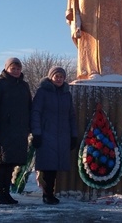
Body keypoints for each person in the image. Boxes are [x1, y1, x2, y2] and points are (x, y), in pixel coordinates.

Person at [0, 57, 32, 205]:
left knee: (11, 163)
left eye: (18, 69)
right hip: (2, 131)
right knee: (0, 163)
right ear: (6, 68)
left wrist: (28, 128)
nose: (16, 71)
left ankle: (6, 194)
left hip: (19, 131)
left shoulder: (24, 86)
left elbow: (29, 108)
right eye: (13, 68)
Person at [30, 66, 78, 205]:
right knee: (47, 166)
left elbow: (71, 116)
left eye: (61, 77)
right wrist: (37, 133)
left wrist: (73, 135)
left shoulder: (66, 94)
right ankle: (46, 194)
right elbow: (36, 113)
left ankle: (50, 193)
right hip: (46, 134)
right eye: (56, 76)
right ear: (50, 77)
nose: (59, 79)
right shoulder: (42, 92)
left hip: (62, 135)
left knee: (55, 167)